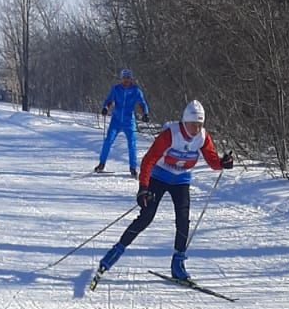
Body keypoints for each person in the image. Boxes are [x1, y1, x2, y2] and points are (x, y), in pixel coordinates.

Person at [95, 100, 233, 283]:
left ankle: (178, 264)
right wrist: (143, 187)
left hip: (181, 180)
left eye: (200, 125)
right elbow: (149, 160)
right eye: (193, 124)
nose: (196, 129)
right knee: (147, 216)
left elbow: (212, 160)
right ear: (185, 121)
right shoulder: (170, 134)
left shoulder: (202, 137)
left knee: (183, 220)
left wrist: (223, 163)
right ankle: (114, 253)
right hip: (159, 177)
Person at [94, 68, 149, 176]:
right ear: (121, 79)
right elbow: (109, 100)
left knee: (132, 144)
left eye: (128, 78)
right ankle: (101, 164)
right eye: (124, 78)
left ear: (131, 79)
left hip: (129, 121)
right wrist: (105, 108)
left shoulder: (136, 90)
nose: (126, 81)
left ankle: (133, 168)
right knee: (108, 141)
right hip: (116, 120)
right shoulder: (116, 89)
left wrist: (145, 114)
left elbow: (142, 103)